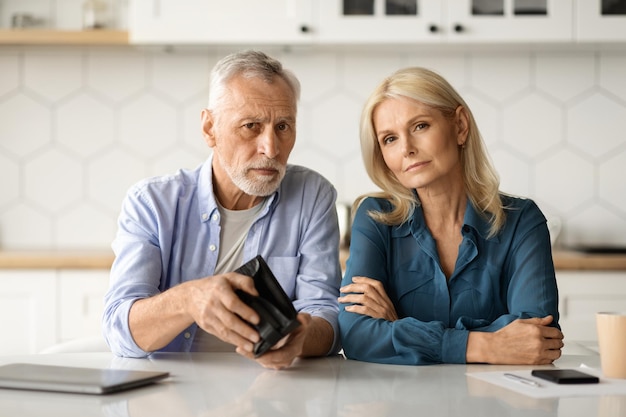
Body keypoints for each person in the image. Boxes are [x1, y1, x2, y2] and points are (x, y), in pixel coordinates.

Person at [103, 50, 341, 370]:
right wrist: (189, 300)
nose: (271, 148)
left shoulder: (312, 196)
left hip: (272, 390)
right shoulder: (152, 203)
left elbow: (327, 315)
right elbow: (120, 331)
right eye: (251, 126)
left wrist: (302, 336)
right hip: (172, 391)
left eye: (283, 126)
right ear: (209, 128)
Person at [338, 67, 564, 366]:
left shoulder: (522, 221)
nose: (406, 149)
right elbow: (356, 336)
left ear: (459, 125)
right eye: (389, 139)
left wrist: (398, 327)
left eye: (420, 126)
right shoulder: (375, 217)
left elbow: (537, 339)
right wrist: (487, 346)